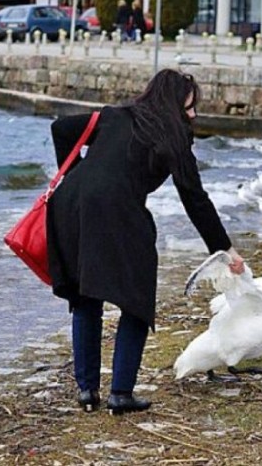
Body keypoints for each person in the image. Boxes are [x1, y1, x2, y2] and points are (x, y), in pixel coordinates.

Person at [46, 69, 245, 415]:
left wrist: (73, 173)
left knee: (85, 297)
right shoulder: (173, 137)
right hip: (116, 209)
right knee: (136, 301)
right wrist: (225, 249)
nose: (194, 115)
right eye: (189, 108)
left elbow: (60, 128)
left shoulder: (114, 116)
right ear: (173, 107)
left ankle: (87, 391)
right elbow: (194, 199)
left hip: (70, 206)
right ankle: (120, 393)